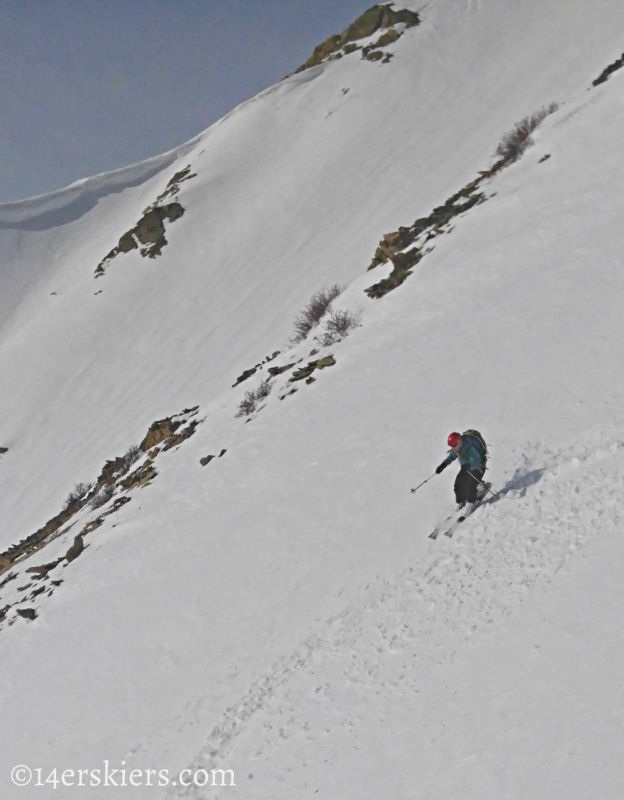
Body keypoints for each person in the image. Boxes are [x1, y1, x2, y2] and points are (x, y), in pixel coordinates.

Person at [436, 431, 488, 511]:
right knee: (458, 484)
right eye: (451, 446)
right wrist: (443, 465)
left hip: (478, 467)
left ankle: (471, 503)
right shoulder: (457, 449)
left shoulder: (469, 447)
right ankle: (461, 501)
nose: (453, 448)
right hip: (466, 467)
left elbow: (476, 459)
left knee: (469, 485)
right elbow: (451, 457)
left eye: (454, 446)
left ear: (459, 442)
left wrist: (470, 468)